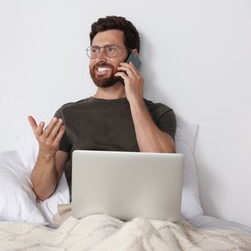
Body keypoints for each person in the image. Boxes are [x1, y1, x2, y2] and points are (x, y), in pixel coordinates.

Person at [28, 16, 176, 201]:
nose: (100, 58)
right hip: (89, 219)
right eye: (95, 50)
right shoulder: (68, 114)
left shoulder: (160, 113)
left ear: (133, 57)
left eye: (111, 50)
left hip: (146, 216)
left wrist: (135, 100)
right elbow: (42, 192)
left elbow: (163, 168)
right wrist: (46, 154)